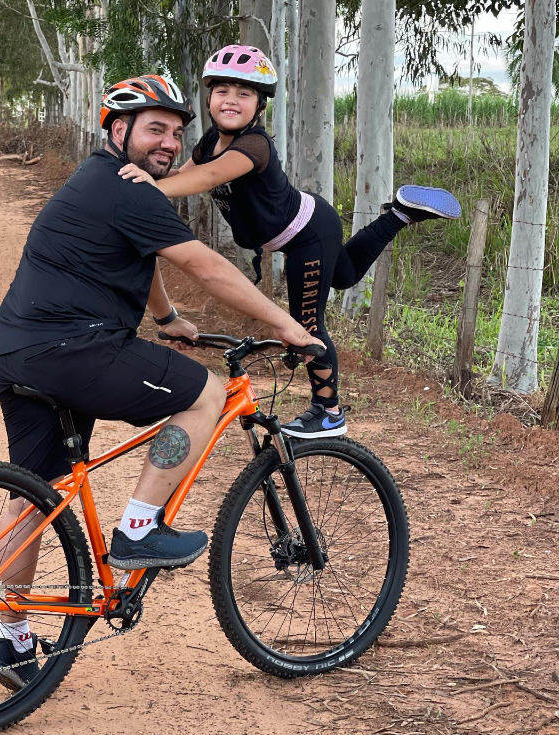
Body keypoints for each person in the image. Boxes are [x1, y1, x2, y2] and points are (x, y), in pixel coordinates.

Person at [0, 74, 321, 690]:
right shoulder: (128, 187)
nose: (167, 143)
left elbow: (147, 257)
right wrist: (288, 326)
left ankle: (11, 639)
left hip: (16, 353)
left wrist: (166, 319)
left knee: (38, 489)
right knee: (208, 393)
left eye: (175, 133)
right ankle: (138, 529)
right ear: (118, 130)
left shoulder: (100, 183)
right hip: (74, 349)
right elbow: (204, 264)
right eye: (153, 129)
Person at [119, 45, 462, 439]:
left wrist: (154, 189)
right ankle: (400, 212)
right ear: (208, 98)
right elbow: (186, 171)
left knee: (307, 324)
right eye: (223, 91)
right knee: (346, 276)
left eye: (244, 93)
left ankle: (328, 412)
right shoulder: (209, 141)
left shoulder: (254, 146)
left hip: (306, 234)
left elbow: (206, 179)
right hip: (309, 223)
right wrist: (151, 176)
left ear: (260, 106)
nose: (231, 99)